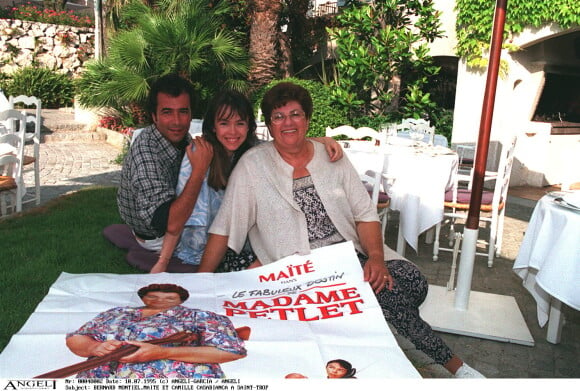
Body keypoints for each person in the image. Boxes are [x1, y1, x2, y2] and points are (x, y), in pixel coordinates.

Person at [199, 82, 485, 379]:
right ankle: (456, 367)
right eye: (278, 116)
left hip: (351, 258)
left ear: (308, 119)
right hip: (305, 273)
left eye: (295, 114)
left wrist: (376, 257)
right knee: (384, 295)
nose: (288, 123)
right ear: (269, 126)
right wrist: (199, 285)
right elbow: (223, 229)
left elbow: (365, 214)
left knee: (412, 282)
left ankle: (368, 343)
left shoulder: (331, 156)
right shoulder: (253, 165)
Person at [150, 89, 344, 273]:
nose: (233, 132)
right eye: (224, 123)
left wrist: (321, 141)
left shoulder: (256, 151)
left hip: (248, 244)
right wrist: (163, 261)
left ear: (249, 126)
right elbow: (181, 213)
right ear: (213, 127)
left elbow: (286, 144)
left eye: (240, 123)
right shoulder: (199, 153)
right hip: (205, 250)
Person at [117, 74, 213, 264]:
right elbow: (171, 224)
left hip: (176, 221)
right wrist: (199, 171)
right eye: (167, 112)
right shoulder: (146, 153)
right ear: (154, 116)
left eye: (183, 112)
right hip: (159, 237)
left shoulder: (182, 139)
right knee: (230, 240)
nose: (177, 122)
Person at [65, 284, 246, 378]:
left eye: (169, 297)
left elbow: (231, 351)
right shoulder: (116, 313)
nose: (160, 300)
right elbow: (77, 337)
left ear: (181, 300)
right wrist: (94, 348)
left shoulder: (200, 316)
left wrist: (163, 352)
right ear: (143, 298)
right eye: (153, 296)